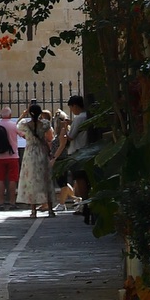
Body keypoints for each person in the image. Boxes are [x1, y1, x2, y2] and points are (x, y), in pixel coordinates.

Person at [18, 102, 56, 219]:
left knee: (31, 181)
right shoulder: (45, 124)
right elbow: (50, 137)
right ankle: (50, 209)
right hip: (42, 152)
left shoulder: (25, 124)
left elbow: (17, 125)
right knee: (46, 180)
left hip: (30, 153)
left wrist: (23, 114)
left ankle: (33, 210)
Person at [64, 92, 92, 220]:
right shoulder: (87, 116)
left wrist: (65, 129)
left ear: (75, 106)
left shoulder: (79, 118)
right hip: (86, 150)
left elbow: (70, 136)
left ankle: (85, 204)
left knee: (80, 180)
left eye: (71, 108)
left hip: (77, 151)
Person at [0, 119, 19, 206]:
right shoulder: (13, 125)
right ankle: (12, 202)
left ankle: (1, 201)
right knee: (13, 179)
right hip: (13, 156)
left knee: (0, 179)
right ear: (10, 115)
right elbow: (23, 135)